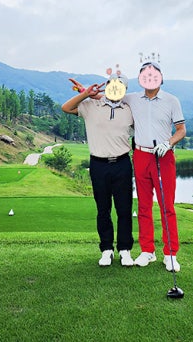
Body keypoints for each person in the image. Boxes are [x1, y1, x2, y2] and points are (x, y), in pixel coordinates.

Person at [62, 75, 135, 267]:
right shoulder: (90, 106)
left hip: (122, 164)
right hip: (98, 164)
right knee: (103, 209)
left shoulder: (130, 109)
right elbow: (66, 108)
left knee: (124, 209)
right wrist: (86, 93)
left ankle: (125, 250)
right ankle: (106, 249)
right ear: (107, 86)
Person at [124, 60, 186, 272]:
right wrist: (85, 92)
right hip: (141, 155)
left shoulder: (171, 101)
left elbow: (181, 130)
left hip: (163, 156)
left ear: (160, 78)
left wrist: (168, 143)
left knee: (166, 206)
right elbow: (110, 96)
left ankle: (170, 253)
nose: (149, 78)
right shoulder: (132, 98)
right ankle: (147, 251)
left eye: (153, 75)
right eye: (145, 75)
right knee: (143, 206)